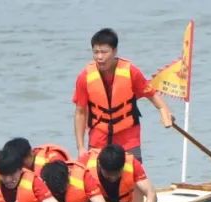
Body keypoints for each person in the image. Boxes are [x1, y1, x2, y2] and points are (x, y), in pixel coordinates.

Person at [73, 28, 173, 161]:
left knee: (134, 176)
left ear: (114, 51)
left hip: (128, 136)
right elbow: (80, 112)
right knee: (95, 178)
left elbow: (151, 94)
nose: (99, 57)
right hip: (99, 137)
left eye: (104, 52)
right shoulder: (84, 77)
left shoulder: (130, 71)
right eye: (96, 52)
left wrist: (165, 110)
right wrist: (80, 147)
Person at [86, 144, 157, 202]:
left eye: (117, 174)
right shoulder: (85, 163)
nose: (113, 178)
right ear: (99, 164)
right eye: (108, 175)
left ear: (123, 166)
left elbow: (152, 194)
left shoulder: (133, 164)